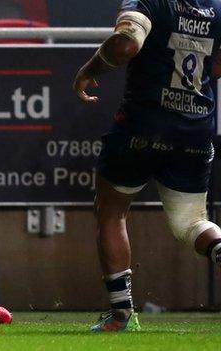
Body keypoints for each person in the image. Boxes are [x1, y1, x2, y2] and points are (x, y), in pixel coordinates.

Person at [73, 0, 221, 332]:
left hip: (141, 126)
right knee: (192, 224)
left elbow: (126, 43)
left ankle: (122, 314)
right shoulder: (216, 7)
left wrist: (90, 69)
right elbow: (216, 65)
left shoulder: (149, 1)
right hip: (195, 130)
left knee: (111, 210)